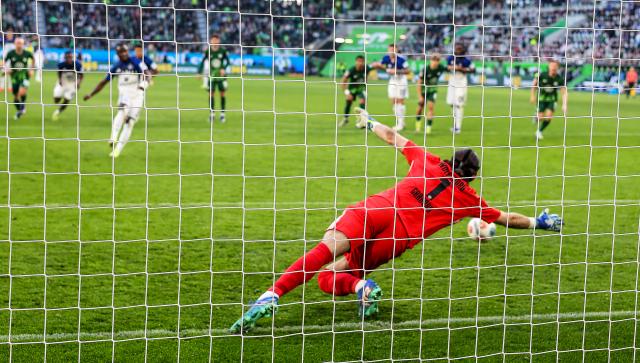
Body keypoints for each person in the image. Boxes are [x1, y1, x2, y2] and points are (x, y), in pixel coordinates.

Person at [229, 108, 564, 333]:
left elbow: (393, 137)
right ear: (473, 177)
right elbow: (507, 218)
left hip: (375, 210)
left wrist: (370, 122)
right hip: (397, 240)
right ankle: (362, 287)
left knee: (325, 253)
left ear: (450, 159)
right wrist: (539, 222)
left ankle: (271, 295)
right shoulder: (470, 200)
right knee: (336, 276)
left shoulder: (427, 160)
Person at [84, 43, 149, 158]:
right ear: (117, 54)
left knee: (130, 123)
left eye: (125, 51)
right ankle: (113, 137)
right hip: (125, 94)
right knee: (122, 110)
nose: (123, 54)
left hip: (138, 94)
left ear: (128, 51)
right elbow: (104, 82)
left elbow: (147, 74)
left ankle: (118, 150)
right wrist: (91, 94)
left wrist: (144, 83)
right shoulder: (116, 67)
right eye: (120, 52)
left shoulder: (136, 62)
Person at [371, 44, 410, 131]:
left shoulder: (402, 59)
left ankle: (400, 124)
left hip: (401, 81)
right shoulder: (386, 58)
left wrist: (396, 71)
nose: (391, 51)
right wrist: (376, 65)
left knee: (400, 101)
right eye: (390, 49)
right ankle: (401, 121)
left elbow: (408, 71)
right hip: (392, 80)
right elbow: (381, 66)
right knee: (393, 101)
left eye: (393, 49)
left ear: (396, 50)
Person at [530, 60, 567, 140]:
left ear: (558, 68)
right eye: (552, 65)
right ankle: (536, 116)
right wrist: (532, 96)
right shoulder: (542, 75)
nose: (553, 67)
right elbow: (534, 84)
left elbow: (564, 92)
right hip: (541, 99)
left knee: (549, 116)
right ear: (549, 66)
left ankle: (539, 131)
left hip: (552, 99)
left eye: (555, 66)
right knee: (540, 117)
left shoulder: (559, 78)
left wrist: (564, 104)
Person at [198, 35, 230, 123]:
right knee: (211, 94)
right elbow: (202, 61)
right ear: (211, 41)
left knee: (222, 94)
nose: (215, 42)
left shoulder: (223, 51)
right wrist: (199, 72)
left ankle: (222, 114)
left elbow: (228, 61)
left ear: (219, 41)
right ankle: (212, 114)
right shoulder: (208, 51)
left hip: (221, 77)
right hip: (211, 76)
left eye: (216, 40)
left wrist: (223, 68)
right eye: (213, 40)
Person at [446, 44, 475, 134]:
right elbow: (447, 67)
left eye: (459, 49)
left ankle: (458, 127)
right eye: (456, 48)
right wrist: (450, 67)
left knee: (459, 104)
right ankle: (455, 124)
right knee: (451, 104)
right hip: (452, 82)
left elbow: (473, 70)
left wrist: (461, 69)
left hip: (461, 83)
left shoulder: (467, 60)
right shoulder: (451, 58)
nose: (457, 50)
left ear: (463, 50)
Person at [416, 53, 447, 134]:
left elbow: (449, 68)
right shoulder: (425, 69)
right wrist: (420, 96)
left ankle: (428, 129)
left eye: (437, 60)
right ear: (430, 60)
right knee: (420, 108)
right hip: (423, 90)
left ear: (439, 61)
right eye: (433, 60)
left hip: (433, 90)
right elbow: (419, 83)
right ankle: (418, 126)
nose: (435, 62)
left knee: (430, 107)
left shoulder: (441, 68)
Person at [4, 37, 34, 120]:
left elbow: (33, 59)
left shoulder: (27, 53)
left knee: (22, 92)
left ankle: (22, 105)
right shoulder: (11, 53)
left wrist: (31, 69)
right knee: (16, 96)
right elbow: (3, 62)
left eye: (20, 43)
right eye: (17, 43)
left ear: (23, 44)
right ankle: (20, 110)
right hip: (14, 77)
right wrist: (6, 69)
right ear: (15, 44)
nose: (19, 45)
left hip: (24, 76)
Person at [339, 55, 371, 127]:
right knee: (348, 100)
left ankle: (362, 120)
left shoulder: (367, 68)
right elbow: (342, 82)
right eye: (359, 61)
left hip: (361, 88)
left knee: (362, 101)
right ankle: (345, 118)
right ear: (356, 62)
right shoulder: (351, 70)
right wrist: (347, 93)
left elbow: (375, 66)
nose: (360, 63)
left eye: (362, 61)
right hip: (352, 89)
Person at [52, 51, 83, 121]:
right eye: (67, 57)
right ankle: (61, 95)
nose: (69, 58)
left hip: (72, 84)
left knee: (67, 99)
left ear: (72, 57)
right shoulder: (61, 65)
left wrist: (78, 83)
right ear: (65, 57)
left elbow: (81, 76)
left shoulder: (77, 65)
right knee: (56, 100)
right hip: (63, 83)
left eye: (70, 57)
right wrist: (59, 80)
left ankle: (58, 112)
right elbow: (59, 73)